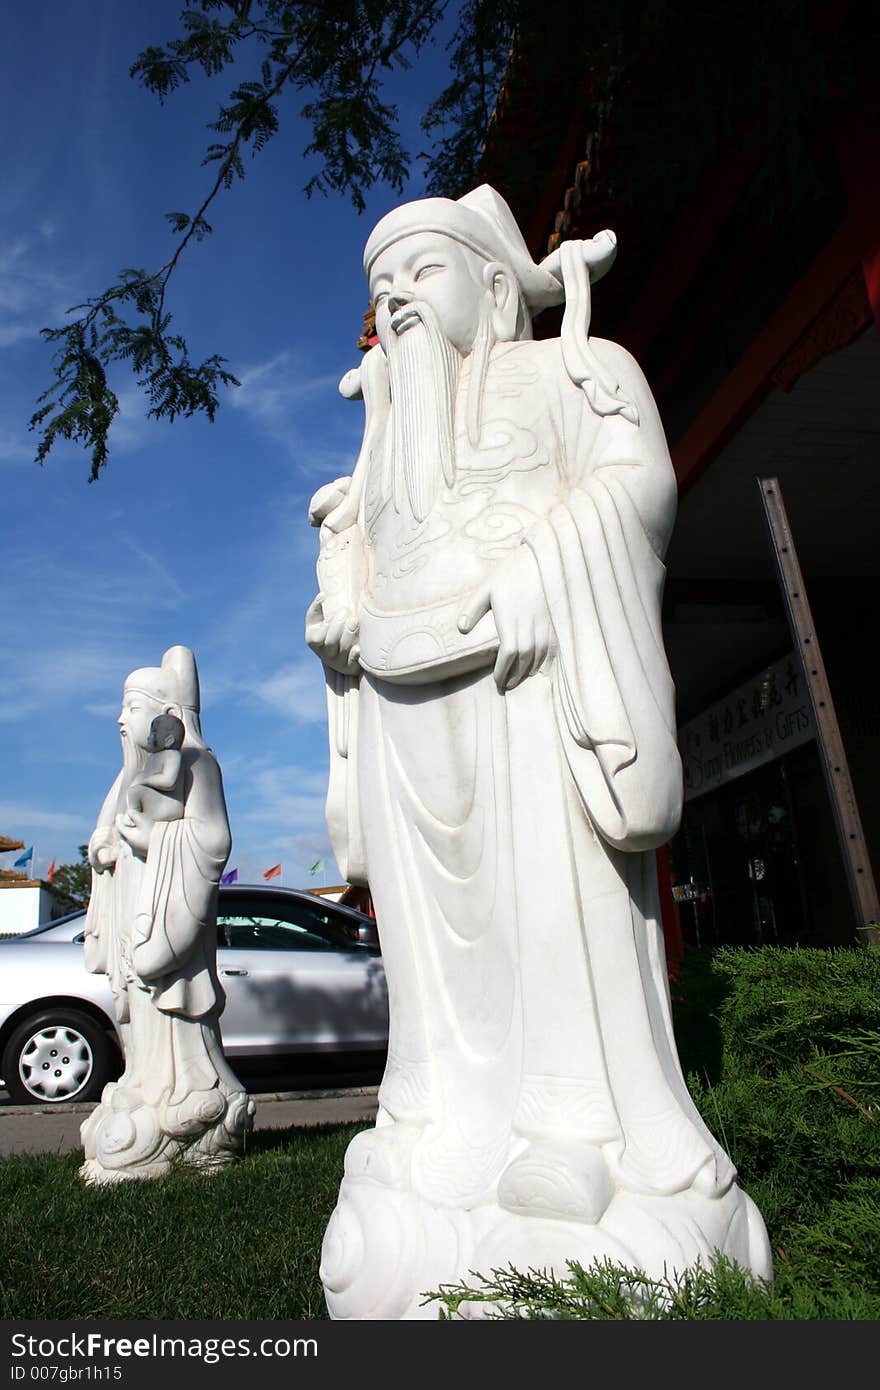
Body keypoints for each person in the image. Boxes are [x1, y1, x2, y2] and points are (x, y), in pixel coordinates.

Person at [308, 186, 771, 1318]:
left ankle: (575, 1126)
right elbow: (362, 557)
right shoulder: (387, 436)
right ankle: (432, 1117)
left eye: (421, 272)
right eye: (381, 288)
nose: (397, 301)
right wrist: (340, 601)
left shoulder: (579, 372)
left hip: (534, 676)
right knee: (434, 941)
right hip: (408, 701)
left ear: (492, 283)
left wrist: (545, 565)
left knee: (548, 899)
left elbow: (638, 487)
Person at [80, 646, 252, 1183]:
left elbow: (212, 839)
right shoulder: (127, 778)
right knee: (139, 1010)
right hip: (136, 904)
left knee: (172, 1015)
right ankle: (146, 1085)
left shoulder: (199, 763)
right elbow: (103, 837)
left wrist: (156, 838)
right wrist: (106, 848)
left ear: (161, 713)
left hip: (167, 912)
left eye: (130, 707)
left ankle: (191, 1102)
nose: (119, 720)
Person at [117, 712, 185, 831]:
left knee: (135, 791)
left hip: (168, 805)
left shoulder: (172, 755)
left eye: (153, 733)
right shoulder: (152, 758)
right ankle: (133, 814)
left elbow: (169, 781)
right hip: (154, 803)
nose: (148, 737)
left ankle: (134, 815)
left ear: (168, 740)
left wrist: (145, 780)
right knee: (135, 787)